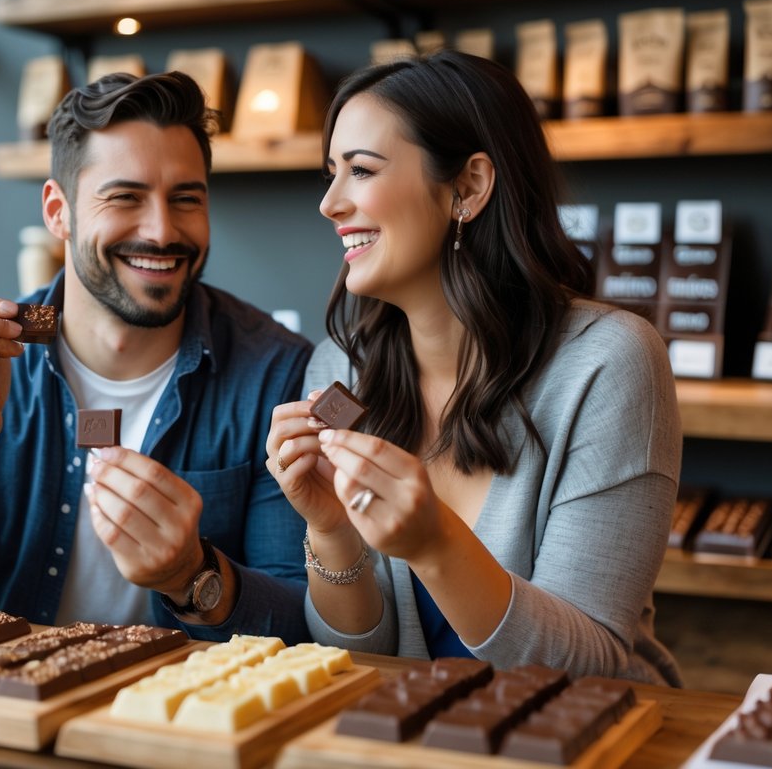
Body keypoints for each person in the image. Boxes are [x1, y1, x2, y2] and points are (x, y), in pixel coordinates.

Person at [0, 71, 313, 643]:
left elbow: (306, 626)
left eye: (185, 199)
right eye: (125, 197)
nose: (163, 231)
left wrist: (193, 576)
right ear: (58, 211)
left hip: (194, 722)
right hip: (12, 707)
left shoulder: (274, 373)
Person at [266, 50, 682, 684]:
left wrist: (437, 545)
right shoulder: (342, 366)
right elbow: (357, 656)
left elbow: (590, 664)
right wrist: (330, 533)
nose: (329, 204)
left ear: (467, 187)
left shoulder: (608, 363)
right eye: (331, 173)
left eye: (360, 170)